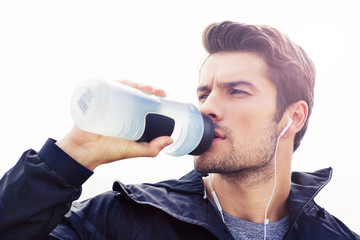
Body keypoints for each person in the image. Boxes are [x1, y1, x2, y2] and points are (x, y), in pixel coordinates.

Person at [0, 21, 358, 240]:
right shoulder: (121, 219)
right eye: (204, 93)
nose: (207, 107)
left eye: (237, 90)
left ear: (292, 117)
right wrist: (72, 154)